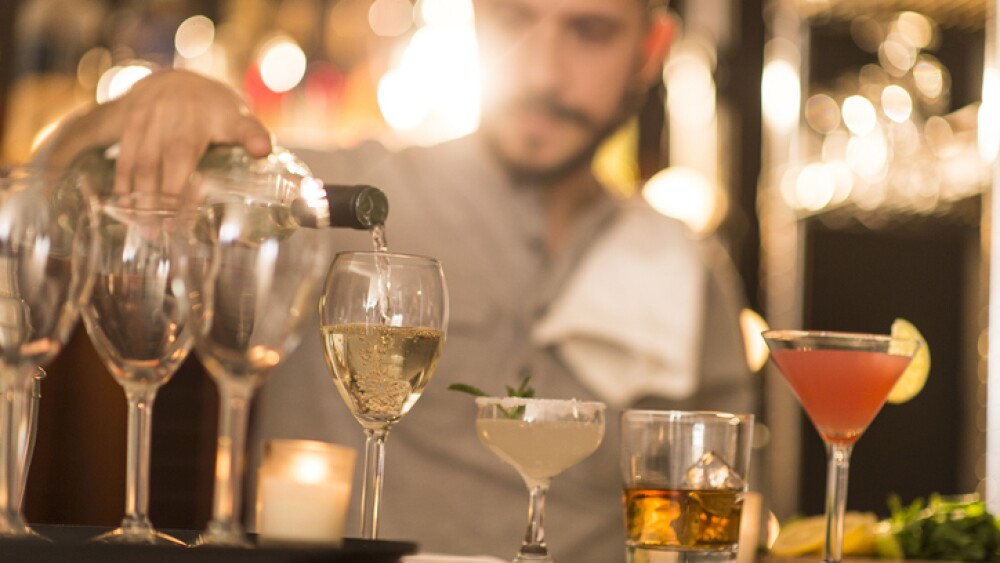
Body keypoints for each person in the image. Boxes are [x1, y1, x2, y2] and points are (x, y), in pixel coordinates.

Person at [38, 0, 755, 560]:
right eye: (514, 21)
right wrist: (138, 113)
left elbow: (727, 520)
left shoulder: (688, 271)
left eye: (589, 31)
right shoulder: (324, 196)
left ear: (648, 51)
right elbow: (48, 195)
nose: (544, 68)